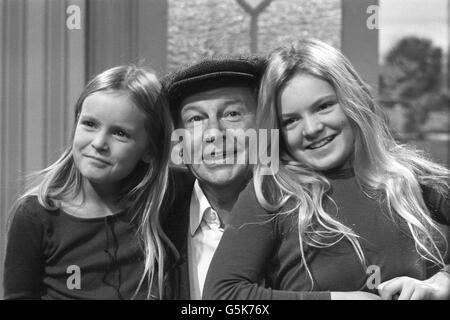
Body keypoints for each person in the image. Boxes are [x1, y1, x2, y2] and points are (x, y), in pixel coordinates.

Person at [203, 39, 450, 300]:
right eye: (291, 120)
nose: (311, 129)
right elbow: (221, 297)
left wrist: (442, 282)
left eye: (323, 107)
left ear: (352, 99)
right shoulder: (270, 195)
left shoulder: (420, 179)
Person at [3, 65, 173, 300]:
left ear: (150, 150)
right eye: (90, 124)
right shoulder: (37, 214)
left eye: (120, 133)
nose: (99, 143)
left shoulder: (166, 201)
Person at [162, 57, 265, 299]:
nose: (214, 133)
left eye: (232, 113)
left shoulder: (302, 215)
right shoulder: (155, 223)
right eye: (195, 119)